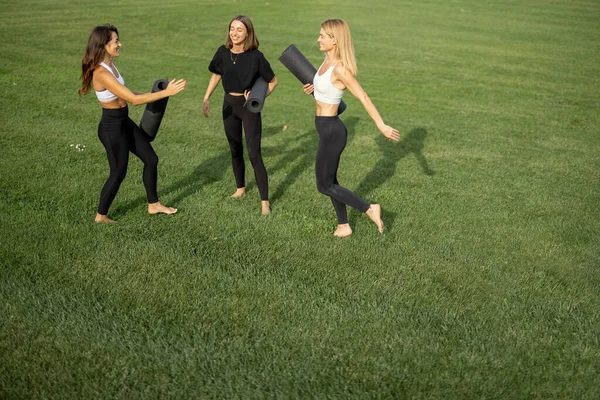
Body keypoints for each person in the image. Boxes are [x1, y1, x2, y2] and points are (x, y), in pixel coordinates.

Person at [79, 24, 186, 223]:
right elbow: (134, 100)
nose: (120, 44)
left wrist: (157, 95)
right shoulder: (101, 73)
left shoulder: (110, 64)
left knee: (151, 159)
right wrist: (166, 93)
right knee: (118, 173)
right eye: (115, 41)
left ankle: (153, 204)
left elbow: (128, 93)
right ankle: (100, 216)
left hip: (123, 122)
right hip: (112, 129)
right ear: (104, 45)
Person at [302, 19, 400, 237]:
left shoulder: (340, 69)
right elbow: (327, 93)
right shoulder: (325, 62)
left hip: (332, 131)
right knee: (331, 181)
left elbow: (363, 96)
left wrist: (381, 125)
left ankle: (369, 208)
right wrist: (314, 89)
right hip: (325, 128)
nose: (318, 39)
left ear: (334, 40)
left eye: (322, 36)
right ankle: (344, 225)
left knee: (323, 185)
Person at [203, 15, 278, 215]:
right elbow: (216, 74)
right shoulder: (222, 52)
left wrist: (258, 97)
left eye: (239, 30)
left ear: (247, 33)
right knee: (235, 149)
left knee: (254, 154)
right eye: (232, 29)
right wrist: (206, 97)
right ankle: (240, 189)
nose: (234, 33)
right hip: (229, 106)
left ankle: (264, 201)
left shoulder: (256, 57)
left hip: (248, 109)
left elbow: (273, 81)